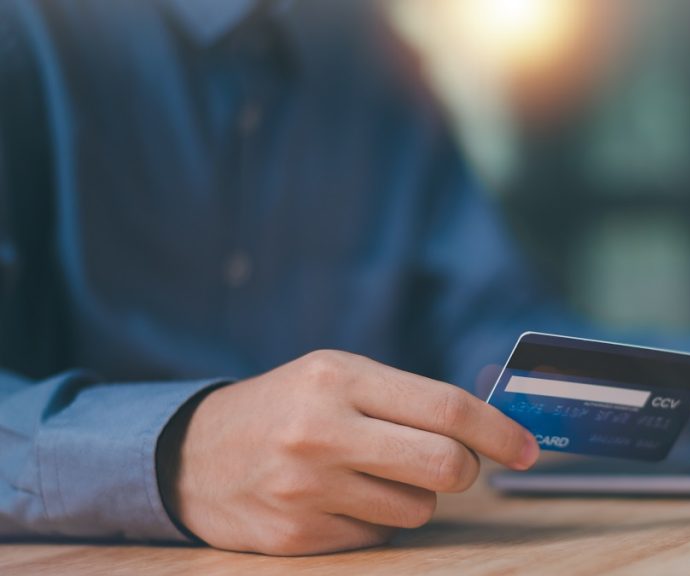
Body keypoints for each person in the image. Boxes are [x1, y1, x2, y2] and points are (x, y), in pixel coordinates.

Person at [0, 0, 566, 555]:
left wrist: (619, 392)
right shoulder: (23, 30)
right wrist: (179, 452)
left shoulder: (374, 53)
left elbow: (483, 330)